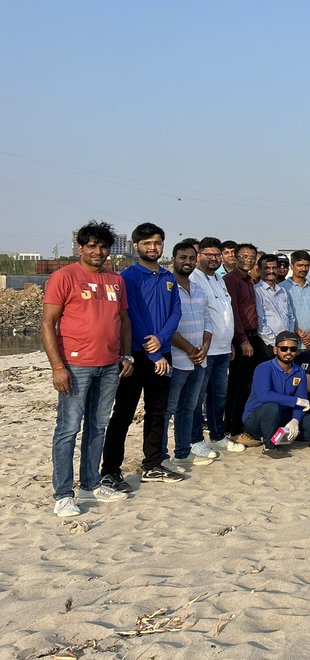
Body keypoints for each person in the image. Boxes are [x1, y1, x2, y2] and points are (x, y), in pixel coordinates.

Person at [41, 221, 133, 517]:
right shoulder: (63, 277)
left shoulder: (116, 280)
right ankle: (63, 494)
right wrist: (58, 366)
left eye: (103, 246)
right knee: (68, 429)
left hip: (109, 365)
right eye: (91, 246)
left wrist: (127, 355)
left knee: (98, 426)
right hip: (75, 365)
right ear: (80, 248)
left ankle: (90, 483)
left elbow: (123, 320)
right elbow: (47, 323)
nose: (97, 251)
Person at [101, 223, 183, 490]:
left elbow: (175, 314)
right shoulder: (128, 277)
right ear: (136, 246)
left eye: (157, 243)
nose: (153, 248)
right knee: (123, 413)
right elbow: (131, 316)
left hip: (163, 354)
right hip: (135, 356)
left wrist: (162, 341)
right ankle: (111, 470)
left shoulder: (168, 278)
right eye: (147, 243)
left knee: (157, 412)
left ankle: (153, 464)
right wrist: (154, 348)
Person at [163, 241, 217, 469]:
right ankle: (161, 458)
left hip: (199, 359)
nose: (187, 262)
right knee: (168, 410)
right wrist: (189, 349)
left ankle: (183, 452)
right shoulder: (165, 288)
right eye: (182, 258)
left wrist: (204, 347)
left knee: (189, 407)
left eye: (191, 258)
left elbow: (207, 321)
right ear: (174, 259)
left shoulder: (199, 290)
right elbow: (165, 326)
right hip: (176, 359)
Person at [190, 238, 244, 454]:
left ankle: (217, 435)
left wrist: (230, 342)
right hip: (204, 350)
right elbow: (199, 314)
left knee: (218, 395)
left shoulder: (219, 279)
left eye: (216, 255)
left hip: (222, 348)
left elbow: (224, 314)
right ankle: (195, 440)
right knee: (197, 397)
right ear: (199, 255)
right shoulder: (194, 279)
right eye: (208, 255)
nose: (213, 259)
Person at [243, 332, 310, 458]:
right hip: (257, 417)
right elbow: (265, 396)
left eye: (293, 349)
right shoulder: (263, 368)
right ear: (275, 350)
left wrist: (295, 420)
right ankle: (269, 446)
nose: (288, 352)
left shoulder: (299, 372)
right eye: (284, 348)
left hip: (283, 417)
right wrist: (294, 401)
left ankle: (280, 436)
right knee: (272, 407)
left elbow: (302, 400)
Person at [224, 242, 265, 441]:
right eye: (244, 256)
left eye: (252, 257)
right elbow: (234, 313)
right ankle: (234, 429)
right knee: (238, 386)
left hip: (253, 336)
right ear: (236, 257)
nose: (248, 260)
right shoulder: (231, 280)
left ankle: (239, 425)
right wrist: (242, 340)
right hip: (242, 338)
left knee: (248, 384)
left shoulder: (249, 281)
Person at [283, 250, 310, 349]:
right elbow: (283, 316)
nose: (304, 268)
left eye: (307, 265)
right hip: (290, 344)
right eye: (300, 265)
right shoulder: (282, 288)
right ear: (291, 266)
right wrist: (299, 333)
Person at [254, 254, 296, 352]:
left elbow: (290, 317)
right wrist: (275, 343)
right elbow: (260, 323)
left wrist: (288, 339)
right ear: (259, 271)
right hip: (268, 344)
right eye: (267, 268)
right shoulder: (256, 291)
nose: (271, 271)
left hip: (286, 344)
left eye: (274, 267)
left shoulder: (283, 291)